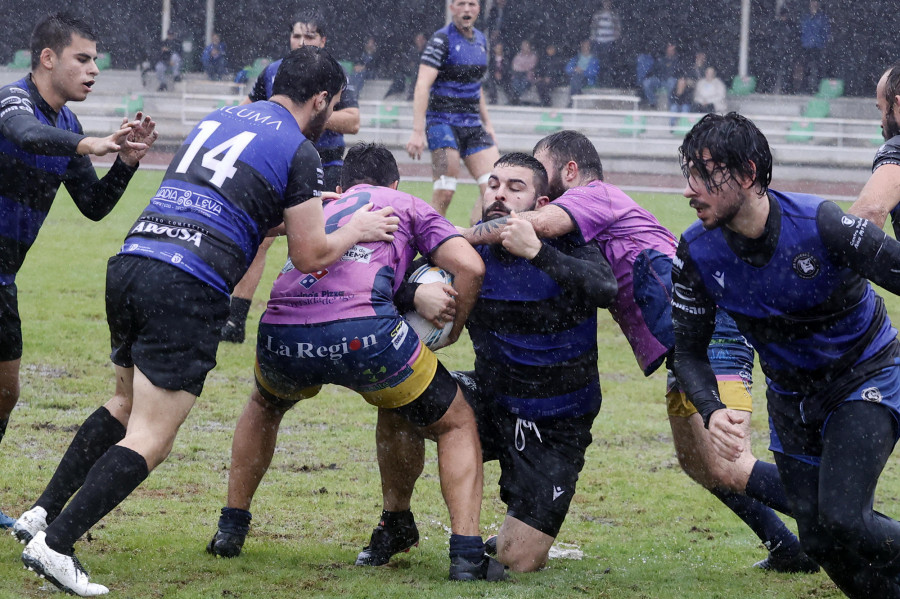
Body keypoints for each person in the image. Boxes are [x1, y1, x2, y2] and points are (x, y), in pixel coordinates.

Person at [13, 47, 399, 597]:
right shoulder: (301, 150)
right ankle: (58, 545)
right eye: (330, 104)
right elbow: (314, 256)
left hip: (133, 264)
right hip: (187, 285)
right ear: (320, 100)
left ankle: (42, 514)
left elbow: (229, 207)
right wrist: (355, 226)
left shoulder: (219, 117)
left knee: (122, 405)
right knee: (152, 434)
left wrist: (300, 213)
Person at [457, 130, 813, 572]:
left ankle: (845, 512)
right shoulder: (587, 213)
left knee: (731, 465)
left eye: (539, 169)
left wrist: (452, 235)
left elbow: (528, 224)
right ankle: (788, 548)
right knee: (700, 465)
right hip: (682, 345)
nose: (536, 185)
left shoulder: (594, 195)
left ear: (570, 171)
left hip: (709, 334)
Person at [206, 143, 505, 582]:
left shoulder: (322, 205)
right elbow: (470, 267)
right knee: (455, 420)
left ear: (341, 186)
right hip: (364, 335)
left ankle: (230, 529)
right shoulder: (407, 203)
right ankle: (466, 556)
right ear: (395, 185)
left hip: (283, 331)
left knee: (265, 406)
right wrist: (453, 330)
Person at [672, 112, 900, 598]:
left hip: (865, 376)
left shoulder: (819, 224)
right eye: (687, 173)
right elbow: (688, 354)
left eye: (704, 174)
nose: (689, 189)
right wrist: (711, 411)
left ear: (748, 174)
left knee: (845, 519)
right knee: (819, 538)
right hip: (792, 397)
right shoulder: (695, 251)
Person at [355, 151, 618, 572]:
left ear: (542, 207)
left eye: (516, 188)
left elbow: (606, 289)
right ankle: (397, 520)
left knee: (517, 559)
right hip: (490, 400)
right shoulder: (467, 255)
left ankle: (521, 524)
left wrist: (538, 253)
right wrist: (412, 295)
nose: (499, 194)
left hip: (556, 422)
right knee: (398, 397)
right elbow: (381, 284)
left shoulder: (566, 245)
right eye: (493, 185)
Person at [0, 12, 157, 529]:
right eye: (82, 59)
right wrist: (89, 145)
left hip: (4, 275)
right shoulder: (13, 102)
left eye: (95, 61)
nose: (93, 70)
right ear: (48, 58)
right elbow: (24, 134)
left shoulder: (67, 123)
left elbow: (92, 204)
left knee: (6, 389)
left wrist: (126, 162)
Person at [219, 9, 361, 344]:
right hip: (277, 162)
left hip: (323, 165)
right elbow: (249, 104)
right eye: (296, 35)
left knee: (306, 244)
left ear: (323, 40)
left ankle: (298, 318)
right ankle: (235, 322)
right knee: (261, 238)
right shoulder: (273, 71)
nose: (301, 42)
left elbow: (353, 121)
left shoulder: (332, 73)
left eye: (309, 37)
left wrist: (307, 114)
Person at [407, 0, 499, 224]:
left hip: (472, 125)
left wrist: (489, 125)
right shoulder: (441, 40)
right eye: (461, 4)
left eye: (472, 4)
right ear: (452, 8)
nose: (467, 9)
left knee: (495, 188)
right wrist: (418, 131)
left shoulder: (481, 40)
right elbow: (422, 85)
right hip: (441, 123)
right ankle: (430, 245)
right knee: (445, 189)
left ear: (478, 9)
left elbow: (477, 87)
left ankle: (476, 241)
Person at [847, 63, 900, 233]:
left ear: (898, 103)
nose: (881, 122)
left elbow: (870, 211)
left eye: (882, 108)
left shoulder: (896, 148)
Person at [797, 0, 830, 94]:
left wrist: (822, 42)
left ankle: (817, 88)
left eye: (815, 2)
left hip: (817, 46)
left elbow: (826, 32)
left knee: (818, 68)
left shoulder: (822, 18)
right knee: (806, 68)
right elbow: (802, 30)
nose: (813, 4)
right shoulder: (806, 17)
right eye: (812, 2)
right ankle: (805, 88)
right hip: (807, 46)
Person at [384, 32, 426, 100]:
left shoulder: (426, 51)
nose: (419, 41)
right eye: (418, 39)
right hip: (411, 70)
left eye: (421, 39)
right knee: (400, 75)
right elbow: (408, 61)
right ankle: (392, 92)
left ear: (424, 40)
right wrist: (410, 64)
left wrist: (416, 64)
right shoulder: (412, 50)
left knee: (415, 71)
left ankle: (412, 93)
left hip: (422, 71)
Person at [589, 0, 621, 87]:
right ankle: (598, 82)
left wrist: (615, 38)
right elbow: (593, 27)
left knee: (608, 63)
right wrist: (593, 39)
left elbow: (618, 29)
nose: (606, 4)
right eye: (605, 2)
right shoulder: (598, 14)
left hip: (609, 42)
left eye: (608, 2)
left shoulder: (614, 15)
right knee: (598, 63)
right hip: (598, 42)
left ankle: (608, 83)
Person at [641, 42, 683, 110]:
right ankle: (653, 102)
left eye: (672, 49)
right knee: (646, 83)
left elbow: (678, 73)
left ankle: (670, 104)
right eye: (669, 48)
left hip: (668, 81)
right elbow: (654, 70)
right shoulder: (660, 58)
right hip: (658, 80)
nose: (671, 50)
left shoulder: (677, 60)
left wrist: (671, 76)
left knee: (672, 82)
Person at [534, 43, 565, 107]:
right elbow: (538, 69)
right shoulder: (543, 59)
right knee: (539, 84)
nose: (550, 50)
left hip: (556, 79)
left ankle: (547, 102)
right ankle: (545, 101)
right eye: (548, 49)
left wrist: (550, 77)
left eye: (551, 49)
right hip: (544, 79)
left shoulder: (558, 59)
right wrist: (539, 76)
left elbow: (559, 71)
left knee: (545, 85)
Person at [508, 39, 537, 105]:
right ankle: (516, 98)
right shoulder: (518, 56)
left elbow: (531, 66)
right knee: (515, 83)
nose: (524, 47)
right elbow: (514, 66)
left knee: (524, 83)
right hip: (517, 75)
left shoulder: (533, 57)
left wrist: (522, 68)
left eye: (526, 46)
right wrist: (522, 68)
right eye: (523, 46)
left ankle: (516, 99)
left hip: (527, 76)